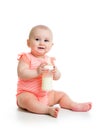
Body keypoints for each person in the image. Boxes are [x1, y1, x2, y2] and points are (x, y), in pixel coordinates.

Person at [16, 25, 92, 118]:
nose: (41, 43)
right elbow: (21, 73)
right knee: (28, 101)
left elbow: (57, 77)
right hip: (27, 93)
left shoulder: (49, 60)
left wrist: (55, 72)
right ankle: (47, 110)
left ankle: (73, 105)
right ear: (28, 43)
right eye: (37, 39)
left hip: (46, 94)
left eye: (46, 40)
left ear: (51, 45)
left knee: (61, 95)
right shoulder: (26, 57)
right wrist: (37, 71)